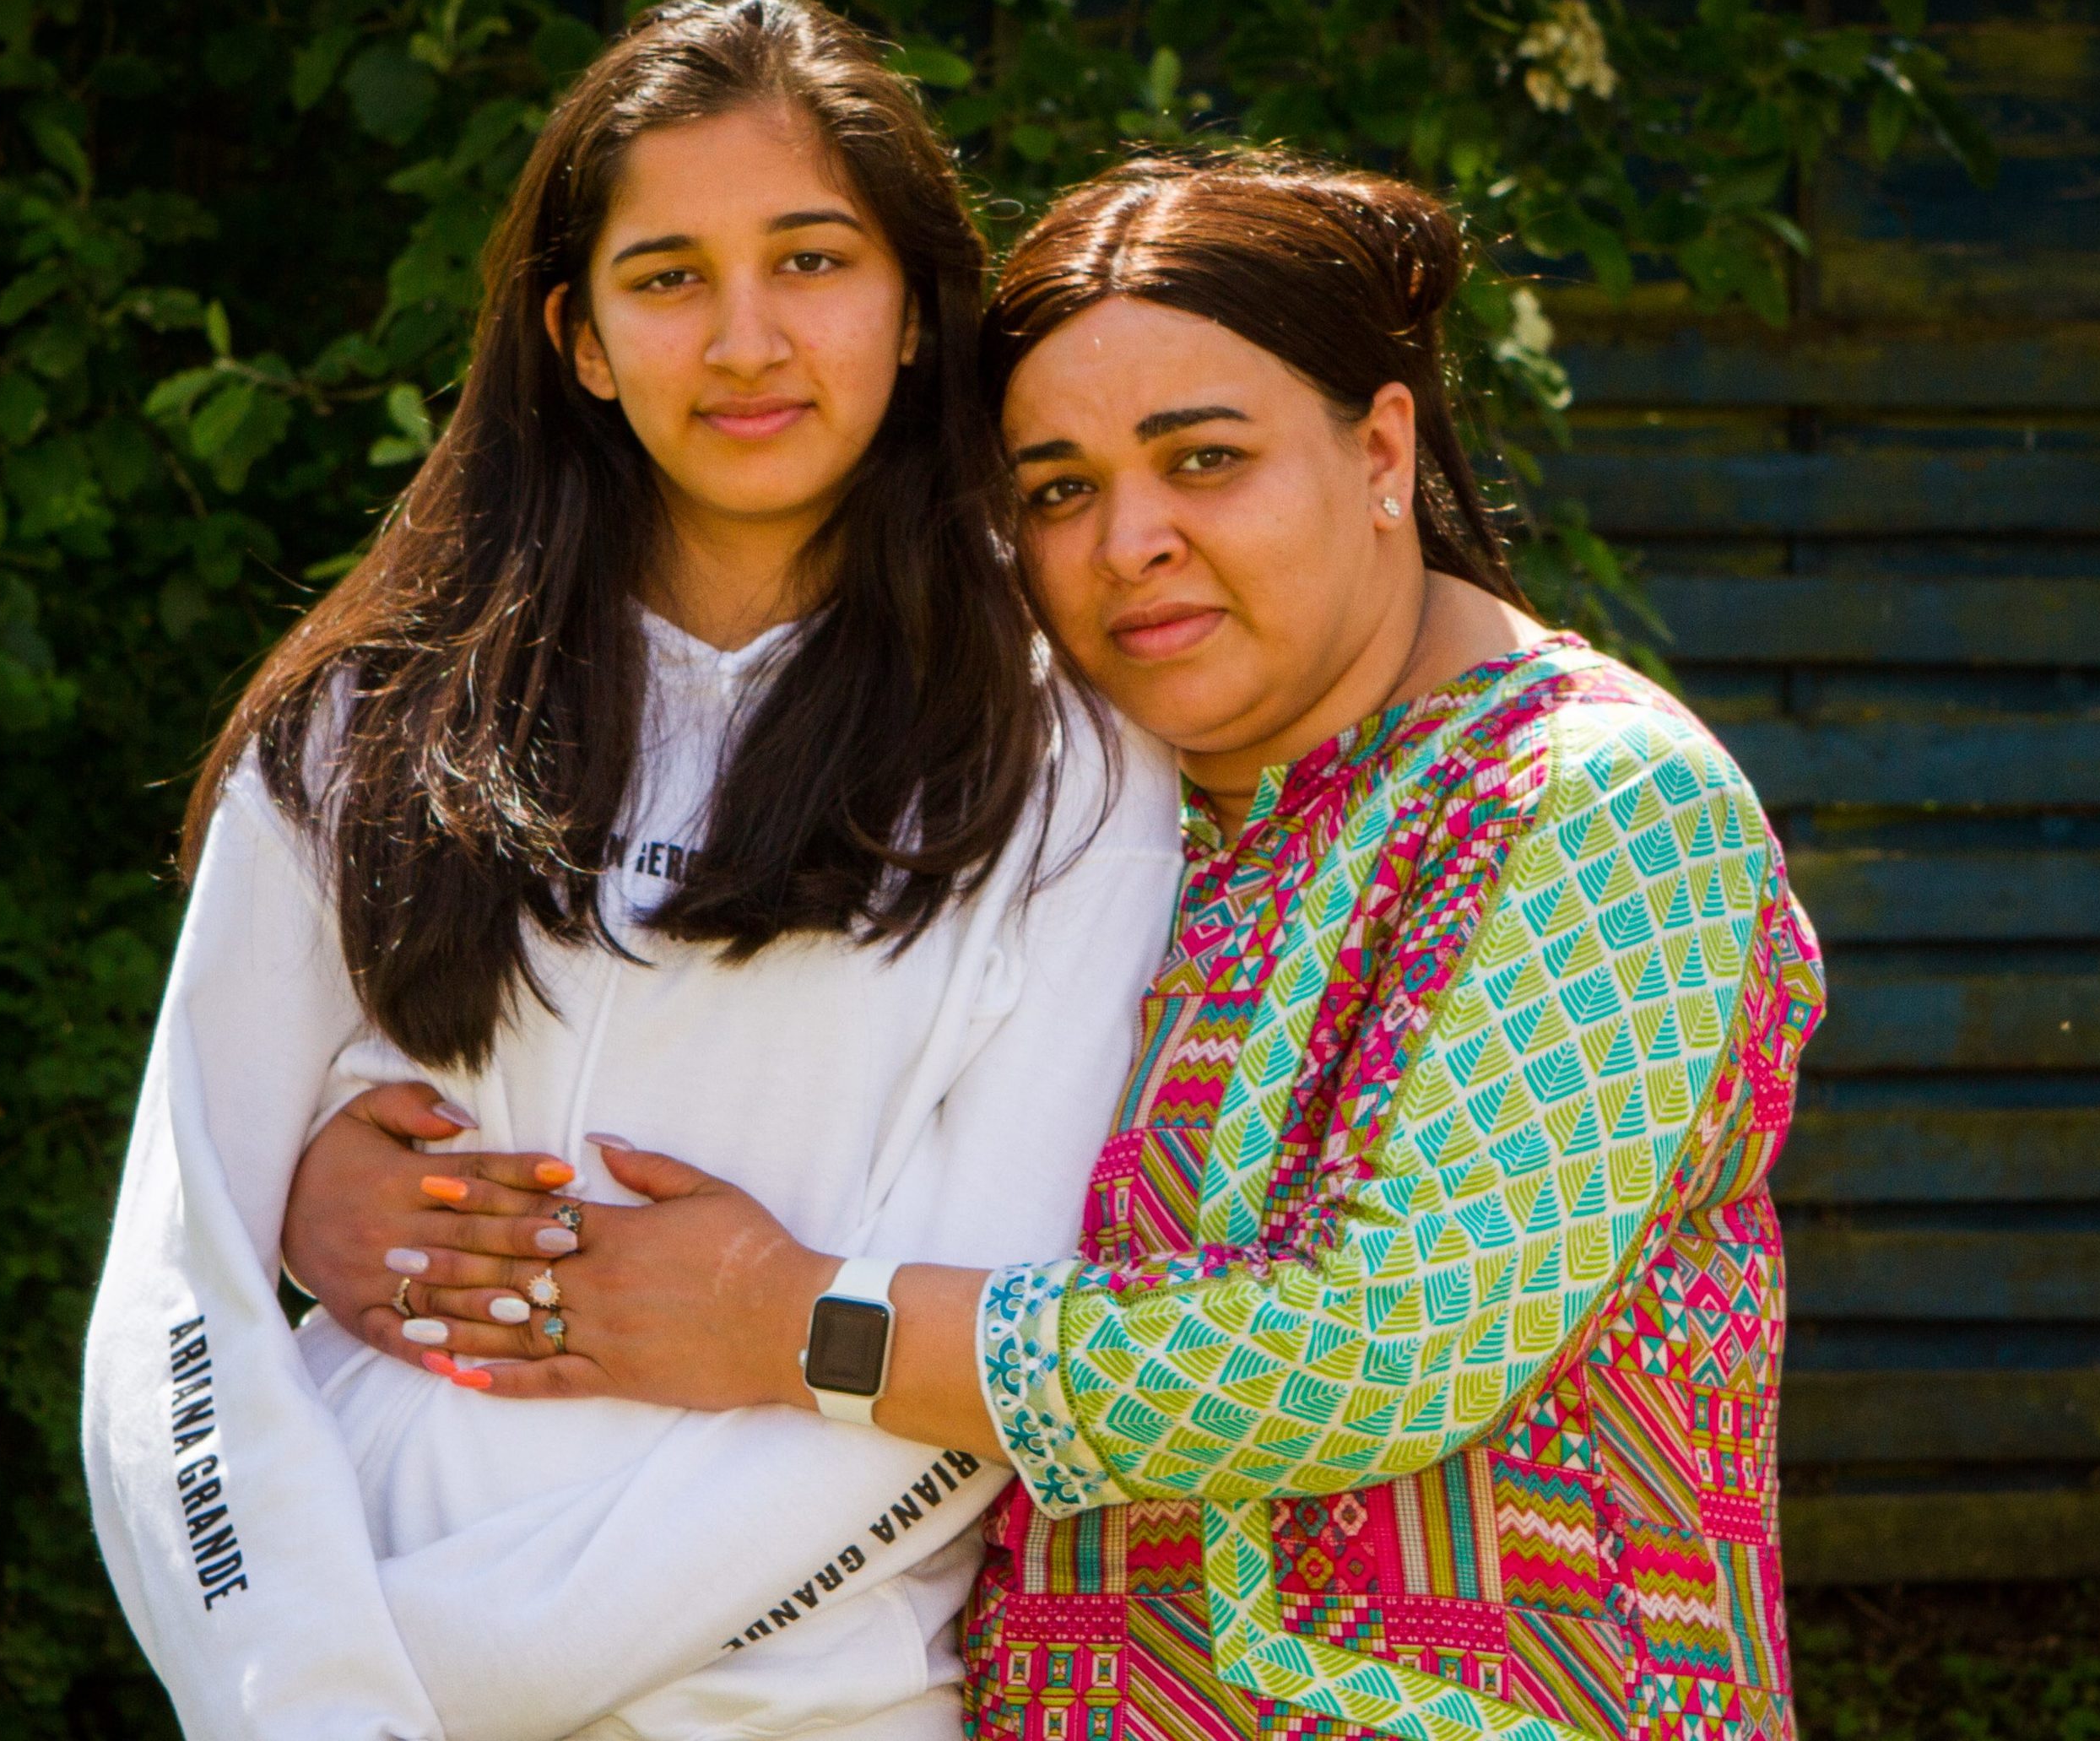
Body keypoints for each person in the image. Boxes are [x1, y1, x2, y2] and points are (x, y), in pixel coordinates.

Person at [306, 153, 1827, 1741]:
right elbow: (737, 1096)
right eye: (1056, 488)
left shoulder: (1595, 808)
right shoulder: (1066, 808)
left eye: (1205, 459)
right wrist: (345, 1186)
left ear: (1380, 448)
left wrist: (798, 1321)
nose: (1130, 541)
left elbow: (1383, 1345)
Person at [78, 0, 1183, 1741]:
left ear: (913, 312)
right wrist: (296, 1686)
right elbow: (180, 1275)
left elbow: (982, 1346)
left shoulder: (1066, 769)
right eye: (668, 277)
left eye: (811, 260)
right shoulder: (370, 718)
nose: (744, 338)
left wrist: (412, 1692)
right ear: (578, 338)